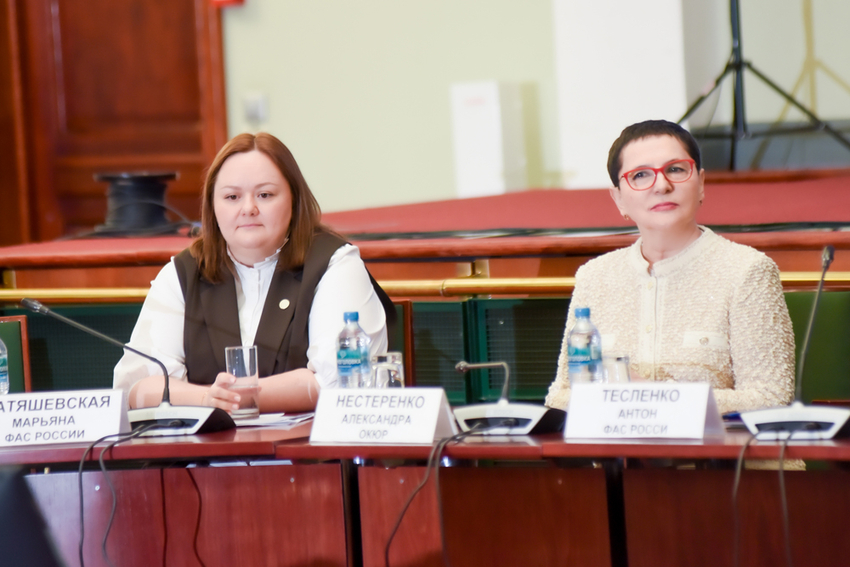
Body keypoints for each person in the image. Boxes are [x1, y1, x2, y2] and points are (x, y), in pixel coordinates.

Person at [114, 132, 390, 413]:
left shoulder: (334, 263)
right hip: (205, 443)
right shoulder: (183, 273)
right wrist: (208, 399)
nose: (248, 208)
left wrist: (236, 398)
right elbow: (135, 388)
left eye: (265, 195)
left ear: (294, 200)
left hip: (308, 442)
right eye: (232, 196)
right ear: (212, 206)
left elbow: (342, 381)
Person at [546, 120, 795, 415]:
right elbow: (560, 395)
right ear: (618, 198)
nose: (662, 186)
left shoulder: (747, 270)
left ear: (700, 183)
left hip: (718, 444)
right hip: (614, 443)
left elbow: (772, 396)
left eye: (675, 169)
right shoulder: (594, 276)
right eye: (640, 175)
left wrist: (655, 396)